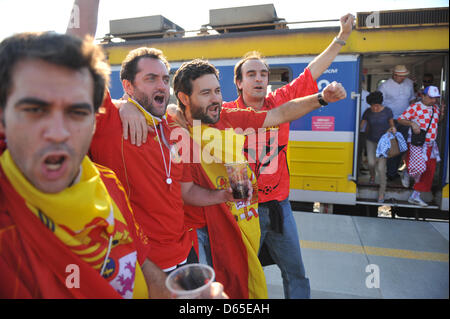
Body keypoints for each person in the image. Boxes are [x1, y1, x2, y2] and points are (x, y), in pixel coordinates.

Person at [0, 31, 169, 298]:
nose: (58, 132)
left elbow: (143, 264)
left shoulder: (108, 182)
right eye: (34, 110)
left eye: (77, 112)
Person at [398, 86, 446, 207]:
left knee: (429, 170)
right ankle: (407, 172)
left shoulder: (435, 108)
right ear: (423, 96)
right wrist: (412, 123)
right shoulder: (415, 107)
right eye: (430, 98)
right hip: (417, 143)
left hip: (431, 144)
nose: (433, 100)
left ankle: (415, 196)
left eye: (435, 98)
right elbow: (401, 119)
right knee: (419, 168)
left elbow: (437, 122)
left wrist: (443, 113)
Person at [378, 64, 416, 181]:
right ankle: (391, 173)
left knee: (402, 147)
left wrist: (413, 116)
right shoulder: (384, 86)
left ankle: (395, 170)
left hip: (405, 120)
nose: (403, 78)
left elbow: (412, 100)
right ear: (394, 75)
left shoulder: (409, 83)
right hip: (391, 120)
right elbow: (379, 105)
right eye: (401, 76)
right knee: (393, 147)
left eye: (405, 75)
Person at [360, 91, 396, 202]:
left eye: (377, 105)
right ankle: (372, 176)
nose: (375, 108)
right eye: (372, 106)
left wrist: (393, 130)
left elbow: (392, 126)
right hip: (370, 140)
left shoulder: (387, 111)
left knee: (381, 168)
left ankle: (381, 194)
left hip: (384, 143)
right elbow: (361, 125)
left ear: (381, 103)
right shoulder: (367, 112)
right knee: (370, 163)